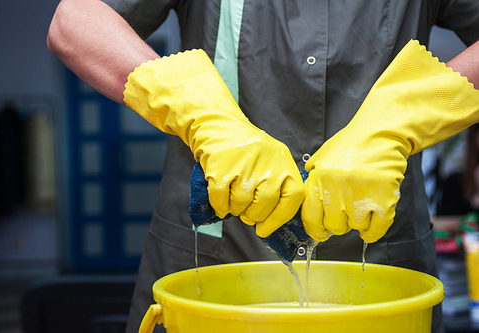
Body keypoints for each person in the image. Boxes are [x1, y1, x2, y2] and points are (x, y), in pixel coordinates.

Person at [47, 1, 479, 332]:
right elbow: (76, 21)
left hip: (382, 259)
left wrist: (404, 117)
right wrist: (200, 113)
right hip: (212, 255)